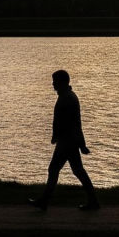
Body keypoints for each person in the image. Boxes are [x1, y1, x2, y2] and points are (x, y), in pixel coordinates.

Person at [29, 69, 100, 211]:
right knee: (77, 170)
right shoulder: (67, 96)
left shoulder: (67, 98)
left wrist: (81, 144)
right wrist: (79, 144)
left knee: (55, 169)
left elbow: (74, 123)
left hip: (67, 142)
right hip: (68, 141)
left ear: (61, 82)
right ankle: (93, 201)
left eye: (55, 81)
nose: (52, 84)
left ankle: (44, 201)